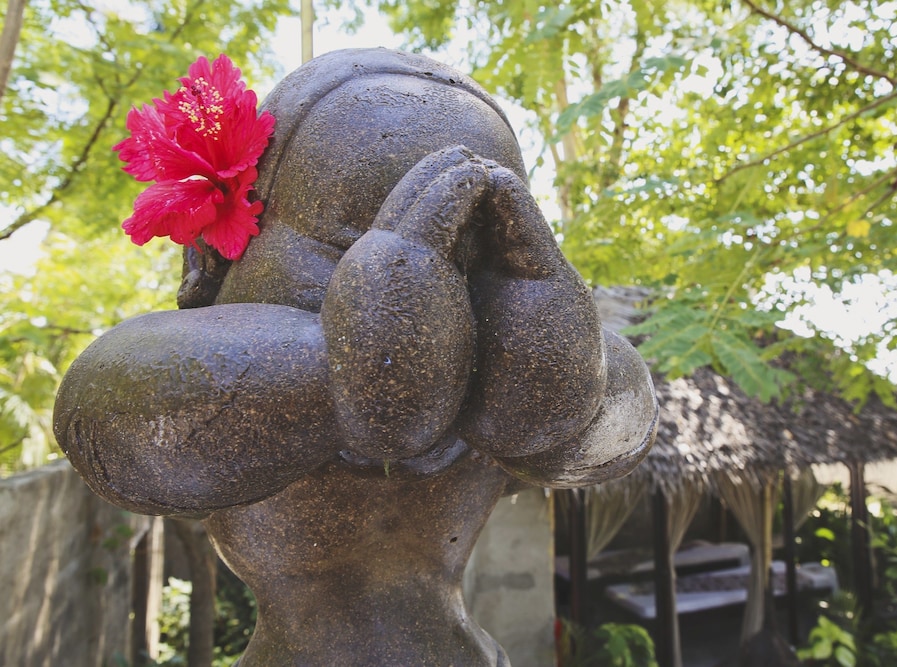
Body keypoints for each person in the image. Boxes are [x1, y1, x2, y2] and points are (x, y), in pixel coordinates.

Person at [54, 48, 657, 666]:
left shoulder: (493, 358)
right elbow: (105, 408)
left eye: (475, 249)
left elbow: (626, 414)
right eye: (353, 242)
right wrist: (345, 365)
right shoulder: (187, 363)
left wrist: (560, 375)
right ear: (207, 261)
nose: (437, 294)